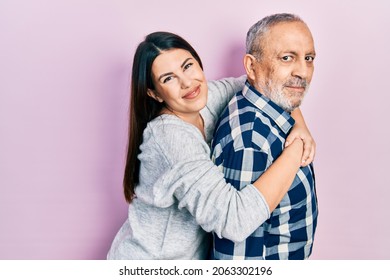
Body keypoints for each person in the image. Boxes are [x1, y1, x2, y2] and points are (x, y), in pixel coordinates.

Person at [107, 31, 315, 259]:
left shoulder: (208, 96)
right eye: (168, 78)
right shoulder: (169, 138)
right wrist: (296, 150)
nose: (187, 82)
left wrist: (299, 124)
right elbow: (234, 221)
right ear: (155, 94)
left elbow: (268, 84)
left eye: (188, 66)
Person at [211, 13, 319, 260]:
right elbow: (235, 258)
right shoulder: (251, 143)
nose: (303, 71)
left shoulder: (276, 109)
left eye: (309, 58)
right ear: (251, 66)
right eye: (286, 58)